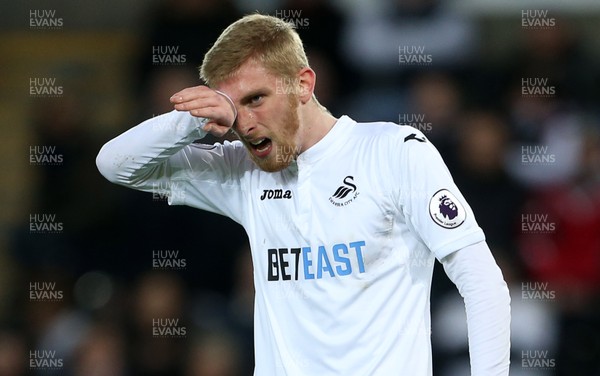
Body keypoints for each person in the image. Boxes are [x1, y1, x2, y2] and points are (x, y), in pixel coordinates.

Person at [96, 14, 510, 375]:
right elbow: (115, 164)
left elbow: (481, 281)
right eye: (233, 107)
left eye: (256, 99)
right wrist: (190, 121)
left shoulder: (392, 152)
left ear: (303, 84)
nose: (246, 122)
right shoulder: (242, 171)